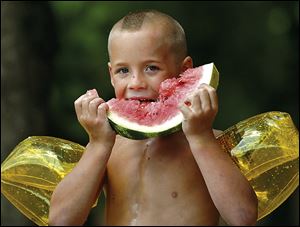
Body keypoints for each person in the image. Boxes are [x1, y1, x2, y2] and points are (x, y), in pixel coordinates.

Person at [49, 9, 258, 226]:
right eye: (123, 71)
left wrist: (201, 138)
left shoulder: (210, 142)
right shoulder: (108, 147)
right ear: (111, 75)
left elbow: (242, 216)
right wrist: (98, 144)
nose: (135, 82)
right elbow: (61, 220)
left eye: (151, 68)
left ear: (185, 71)